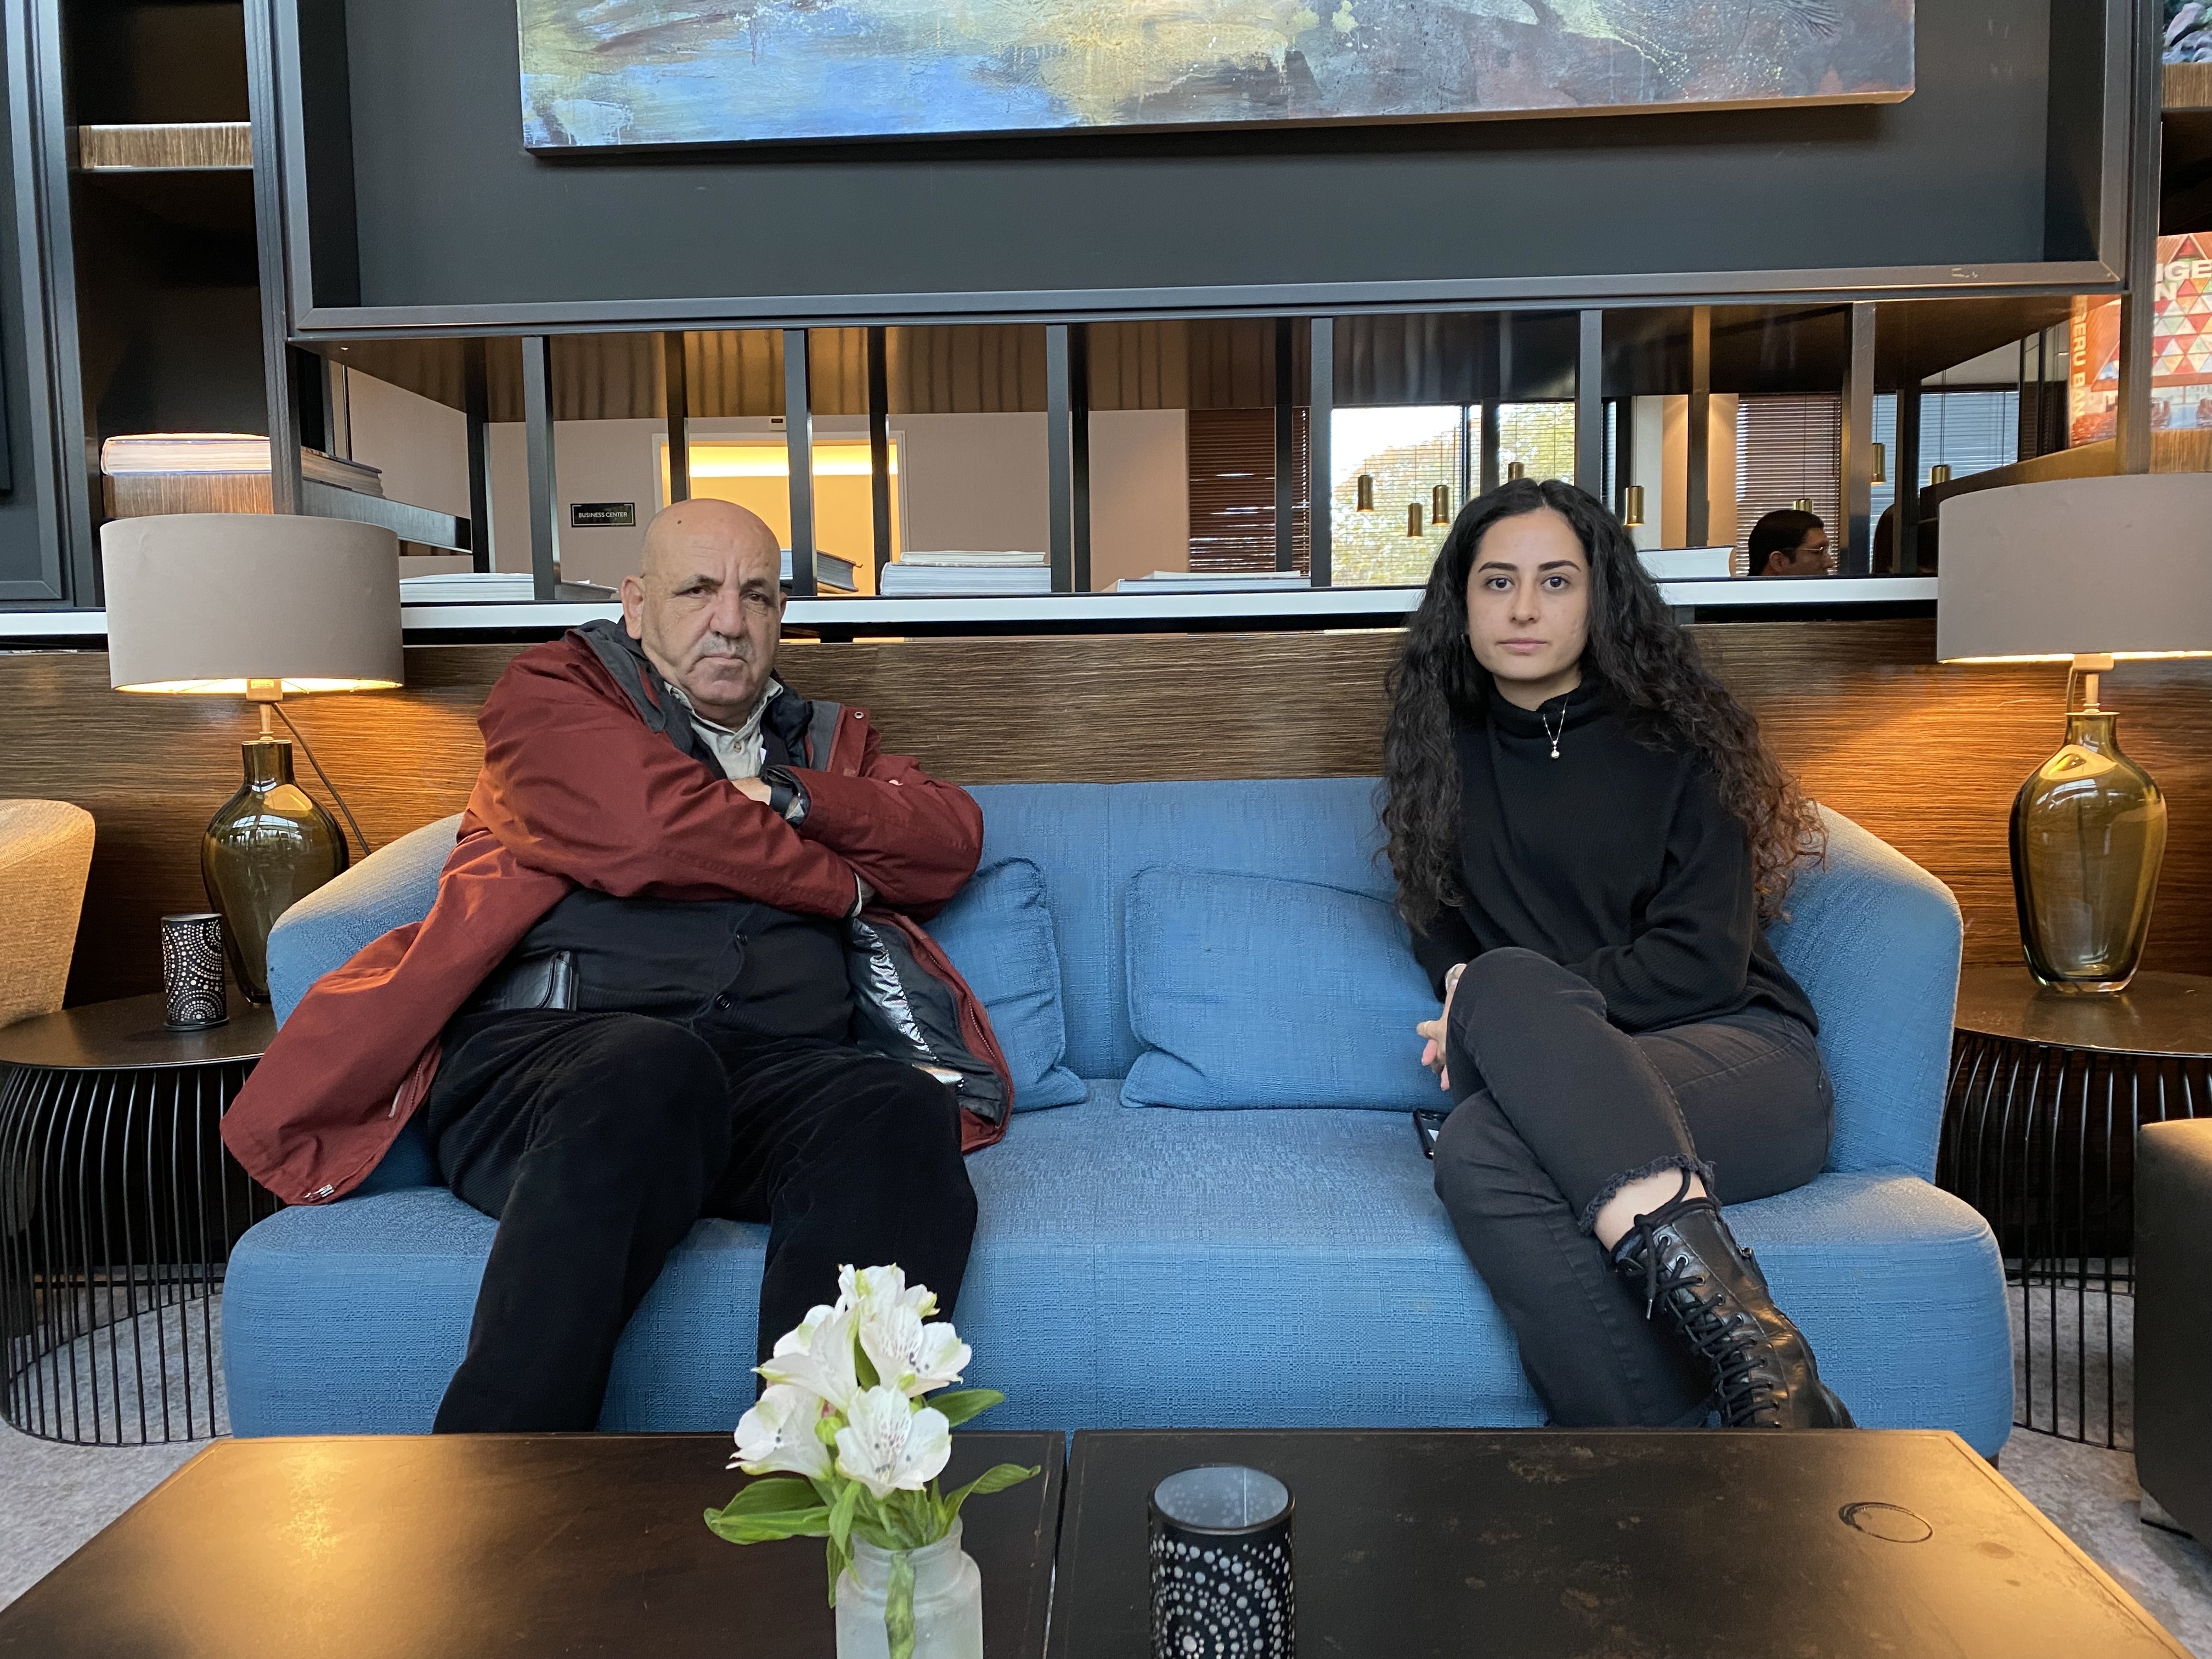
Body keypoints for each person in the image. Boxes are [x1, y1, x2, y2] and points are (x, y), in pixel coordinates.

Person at [221, 499, 1007, 1432]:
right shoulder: (551, 694)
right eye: (698, 588)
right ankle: (495, 1480)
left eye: (757, 595)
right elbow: (644, 828)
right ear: (634, 604)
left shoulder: (828, 740)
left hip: (764, 1078)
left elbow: (945, 842)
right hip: (551, 1066)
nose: (730, 617)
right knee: (649, 1066)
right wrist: (837, 883)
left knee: (895, 1104)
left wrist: (787, 791)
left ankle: (827, 1482)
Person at [1384, 476, 1852, 1431]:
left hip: (1744, 1061)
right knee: (1474, 1146)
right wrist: (1492, 1003)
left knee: (1504, 985)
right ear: (1459, 601)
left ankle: (1757, 1358)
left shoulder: (1679, 740)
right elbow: (1443, 938)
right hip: (1571, 1091)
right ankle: (1712, 1444)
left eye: (1555, 581)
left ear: (1599, 597)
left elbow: (1702, 964)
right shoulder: (1440, 752)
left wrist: (1509, 1004)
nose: (1522, 607)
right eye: (1496, 581)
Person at [1745, 509, 1833, 577]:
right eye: (1818, 551)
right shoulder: (1739, 600)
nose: (1830, 563)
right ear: (1778, 562)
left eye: (1826, 550)